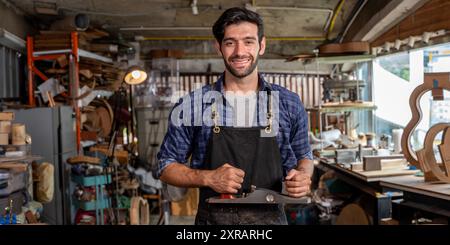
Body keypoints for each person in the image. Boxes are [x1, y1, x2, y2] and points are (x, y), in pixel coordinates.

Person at [156, 7, 313, 225]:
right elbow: (165, 166)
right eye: (230, 42)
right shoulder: (192, 105)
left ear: (262, 45)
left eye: (248, 41)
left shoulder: (289, 103)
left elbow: (304, 155)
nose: (240, 51)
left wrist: (304, 176)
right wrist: (208, 177)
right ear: (218, 47)